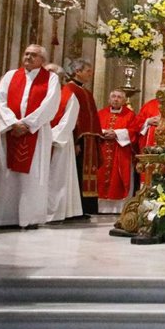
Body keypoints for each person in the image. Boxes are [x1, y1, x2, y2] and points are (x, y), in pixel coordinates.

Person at [0, 45, 61, 228]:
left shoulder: (51, 78)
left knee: (32, 177)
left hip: (36, 132)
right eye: (26, 53)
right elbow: (0, 100)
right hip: (11, 131)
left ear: (42, 60)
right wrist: (13, 123)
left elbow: (50, 104)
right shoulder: (10, 75)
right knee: (6, 175)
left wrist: (28, 124)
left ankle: (29, 218)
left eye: (33, 55)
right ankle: (3, 218)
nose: (28, 57)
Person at [46, 64, 84, 223]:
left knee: (56, 179)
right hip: (37, 141)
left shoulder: (69, 96)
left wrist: (49, 137)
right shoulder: (40, 92)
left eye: (50, 72)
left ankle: (54, 213)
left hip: (58, 143)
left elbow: (69, 121)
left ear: (60, 77)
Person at [65, 59, 100, 216]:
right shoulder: (70, 89)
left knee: (89, 174)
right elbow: (72, 118)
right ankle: (76, 208)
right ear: (77, 71)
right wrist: (75, 141)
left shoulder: (86, 91)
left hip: (89, 141)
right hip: (78, 140)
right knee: (77, 173)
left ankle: (87, 208)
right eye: (88, 71)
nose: (90, 74)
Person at [96, 90, 138, 215]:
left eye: (119, 97)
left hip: (121, 152)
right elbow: (95, 128)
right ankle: (100, 207)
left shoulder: (130, 115)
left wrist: (116, 133)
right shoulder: (101, 113)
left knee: (119, 178)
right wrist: (103, 132)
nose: (115, 99)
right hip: (103, 150)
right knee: (100, 176)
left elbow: (134, 131)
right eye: (113, 96)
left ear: (124, 101)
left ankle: (119, 208)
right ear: (109, 99)